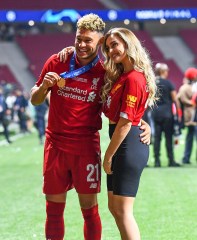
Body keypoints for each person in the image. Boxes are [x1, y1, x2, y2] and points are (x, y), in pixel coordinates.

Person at [30, 14, 151, 240]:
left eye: (89, 41)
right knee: (53, 211)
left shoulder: (107, 72)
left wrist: (142, 124)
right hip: (55, 145)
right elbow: (35, 99)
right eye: (79, 39)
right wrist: (43, 87)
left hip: (86, 146)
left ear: (100, 42)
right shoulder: (57, 61)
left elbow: (125, 105)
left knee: (90, 211)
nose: (82, 45)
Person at [99, 27, 157, 240]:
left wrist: (108, 156)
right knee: (115, 208)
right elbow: (129, 114)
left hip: (127, 144)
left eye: (115, 44)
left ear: (128, 44)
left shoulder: (134, 77)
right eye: (107, 47)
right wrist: (139, 121)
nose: (111, 50)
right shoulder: (123, 75)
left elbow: (124, 123)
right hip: (123, 140)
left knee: (123, 211)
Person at [152, 63, 181, 167]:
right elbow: (175, 99)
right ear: (163, 71)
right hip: (167, 115)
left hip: (155, 113)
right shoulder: (168, 83)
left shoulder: (153, 82)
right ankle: (171, 160)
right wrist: (179, 113)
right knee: (168, 137)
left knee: (157, 138)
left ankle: (157, 161)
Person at [177, 67, 197, 164]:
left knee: (190, 137)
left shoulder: (186, 87)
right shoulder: (187, 88)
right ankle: (186, 158)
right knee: (191, 137)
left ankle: (186, 158)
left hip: (190, 115)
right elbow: (183, 100)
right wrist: (193, 102)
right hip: (191, 116)